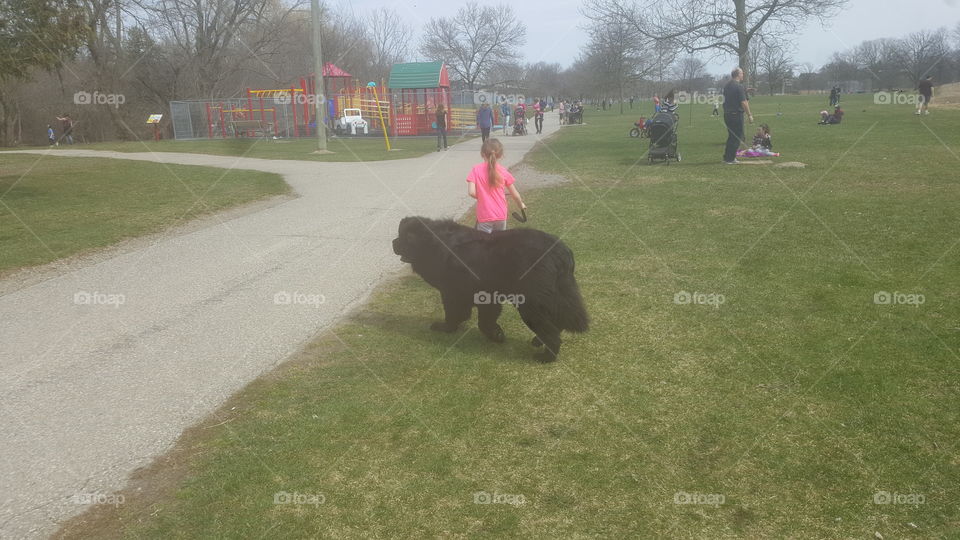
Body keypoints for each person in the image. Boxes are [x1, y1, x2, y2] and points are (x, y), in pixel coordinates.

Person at [467, 138, 526, 233]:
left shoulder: (476, 170)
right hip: (501, 215)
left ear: (482, 154)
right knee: (499, 243)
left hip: (485, 215)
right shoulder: (503, 171)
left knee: (484, 244)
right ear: (501, 155)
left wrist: (483, 196)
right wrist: (521, 205)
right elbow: (515, 195)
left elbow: (471, 192)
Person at [722, 67, 753, 165]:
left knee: (731, 136)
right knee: (737, 137)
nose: (743, 75)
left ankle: (728, 157)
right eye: (742, 74)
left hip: (727, 114)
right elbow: (743, 102)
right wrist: (749, 115)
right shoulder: (739, 87)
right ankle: (730, 159)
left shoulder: (727, 86)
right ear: (738, 75)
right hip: (736, 114)